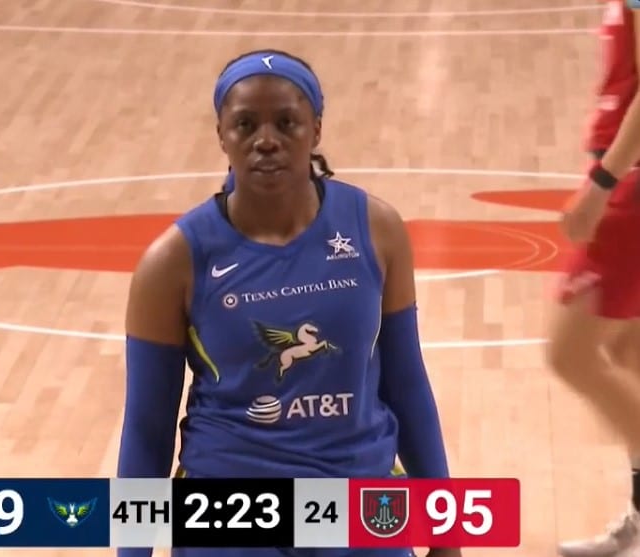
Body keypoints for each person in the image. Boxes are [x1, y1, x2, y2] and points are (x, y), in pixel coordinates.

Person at [117, 48, 458, 557]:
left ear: (315, 130)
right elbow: (148, 428)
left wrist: (445, 530)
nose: (266, 140)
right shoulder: (172, 262)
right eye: (245, 124)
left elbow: (406, 384)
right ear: (221, 135)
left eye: (286, 123)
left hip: (359, 497)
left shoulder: (377, 230)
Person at [547, 2, 640, 556]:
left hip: (631, 186)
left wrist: (602, 184)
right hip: (625, 175)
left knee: (570, 354)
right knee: (629, 355)